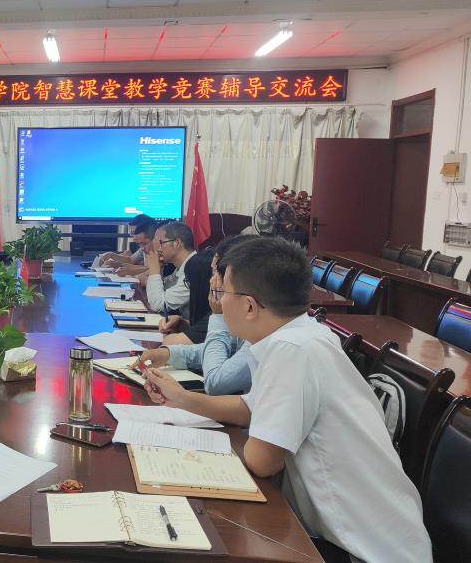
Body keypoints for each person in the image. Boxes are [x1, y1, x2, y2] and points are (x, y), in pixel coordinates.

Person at [142, 237, 432, 563]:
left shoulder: (292, 350)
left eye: (222, 292)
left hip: (364, 550)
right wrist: (183, 398)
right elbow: (250, 408)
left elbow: (263, 461)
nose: (218, 304)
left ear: (249, 306)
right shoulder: (300, 334)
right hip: (348, 534)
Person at [136, 235, 257, 395]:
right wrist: (168, 354)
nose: (212, 282)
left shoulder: (260, 333)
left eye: (216, 273)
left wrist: (218, 315)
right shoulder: (247, 319)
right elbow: (227, 349)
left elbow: (216, 383)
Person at [143, 221, 196, 318]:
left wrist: (154, 271)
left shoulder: (194, 269)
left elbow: (158, 305)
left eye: (161, 243)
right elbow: (163, 289)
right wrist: (159, 269)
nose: (158, 249)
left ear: (177, 243)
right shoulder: (182, 267)